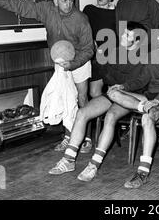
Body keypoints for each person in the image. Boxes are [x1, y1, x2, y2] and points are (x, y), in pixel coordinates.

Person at [0, 0, 94, 152]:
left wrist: (73, 64)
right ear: (56, 1)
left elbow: (88, 49)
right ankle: (69, 136)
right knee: (65, 100)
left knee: (81, 99)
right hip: (60, 62)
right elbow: (23, 6)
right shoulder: (46, 10)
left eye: (71, 0)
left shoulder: (81, 19)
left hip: (79, 61)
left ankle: (86, 137)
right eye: (64, 1)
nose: (68, 4)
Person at [48, 21, 147, 180]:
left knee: (110, 116)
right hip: (114, 93)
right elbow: (108, 76)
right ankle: (69, 159)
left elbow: (140, 82)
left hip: (131, 97)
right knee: (82, 112)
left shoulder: (145, 58)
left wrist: (121, 85)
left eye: (127, 35)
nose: (122, 36)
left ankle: (94, 164)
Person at [107, 21, 159, 189]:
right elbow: (142, 79)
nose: (157, 37)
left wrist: (157, 101)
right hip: (149, 97)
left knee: (147, 119)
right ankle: (144, 107)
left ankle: (143, 172)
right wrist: (124, 86)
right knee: (113, 93)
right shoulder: (154, 55)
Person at [81, 0, 117, 153]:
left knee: (114, 91)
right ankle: (104, 124)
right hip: (95, 56)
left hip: (111, 57)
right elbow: (83, 29)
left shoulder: (116, 12)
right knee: (94, 92)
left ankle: (111, 124)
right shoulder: (89, 9)